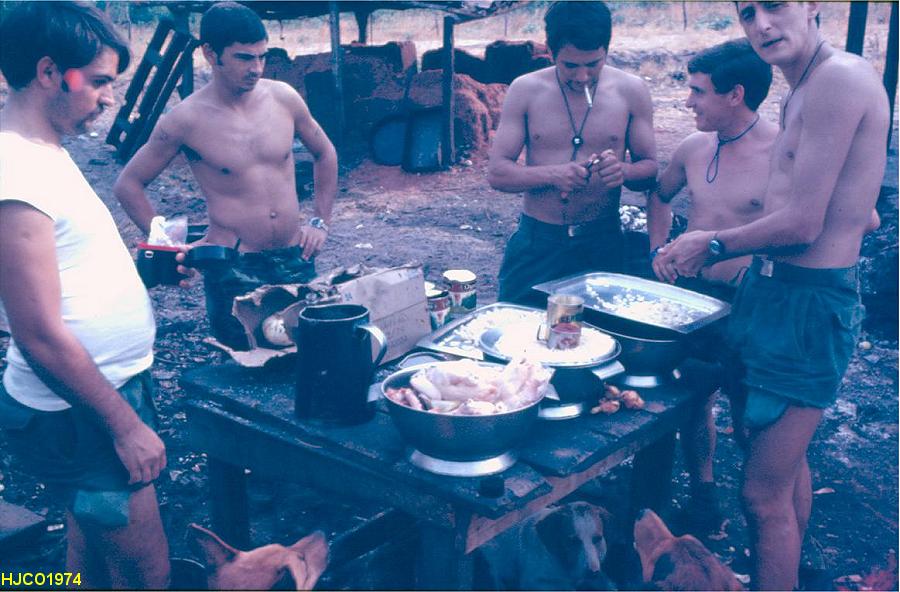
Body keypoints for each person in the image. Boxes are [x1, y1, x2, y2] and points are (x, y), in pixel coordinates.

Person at [654, 2, 889, 588]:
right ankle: (793, 569)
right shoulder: (803, 87)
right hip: (774, 292)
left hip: (806, 303)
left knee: (761, 497)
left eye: (775, 4)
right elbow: (854, 212)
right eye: (747, 11)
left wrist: (712, 244)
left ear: (813, 6)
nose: (760, 23)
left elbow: (804, 223)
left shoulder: (838, 79)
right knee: (776, 473)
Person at [0, 2, 186, 587]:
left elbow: (63, 270)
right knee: (147, 573)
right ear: (49, 72)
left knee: (92, 549)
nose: (109, 98)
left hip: (99, 394)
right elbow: (36, 333)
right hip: (80, 412)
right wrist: (124, 426)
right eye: (100, 81)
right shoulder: (14, 173)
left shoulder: (44, 151)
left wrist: (141, 274)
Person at [114, 1, 338, 350]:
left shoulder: (284, 99)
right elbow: (128, 185)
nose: (256, 68)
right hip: (233, 266)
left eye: (262, 57)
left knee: (308, 351)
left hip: (295, 256)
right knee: (243, 360)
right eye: (244, 58)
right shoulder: (185, 120)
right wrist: (169, 245)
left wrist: (320, 221)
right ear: (210, 54)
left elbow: (325, 153)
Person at [646, 38, 777, 534]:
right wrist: (657, 250)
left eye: (698, 91)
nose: (688, 102)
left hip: (750, 305)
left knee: (750, 416)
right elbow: (659, 195)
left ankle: (765, 517)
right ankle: (704, 498)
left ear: (735, 94)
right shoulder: (694, 147)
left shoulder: (781, 152)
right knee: (691, 401)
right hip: (692, 300)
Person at [487, 1, 657, 306]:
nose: (582, 77)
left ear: (606, 50)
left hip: (602, 241)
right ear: (551, 52)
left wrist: (624, 171)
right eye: (570, 66)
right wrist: (554, 175)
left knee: (600, 330)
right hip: (538, 242)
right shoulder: (525, 90)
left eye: (593, 64)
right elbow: (498, 174)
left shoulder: (632, 91)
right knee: (518, 324)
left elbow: (649, 169)